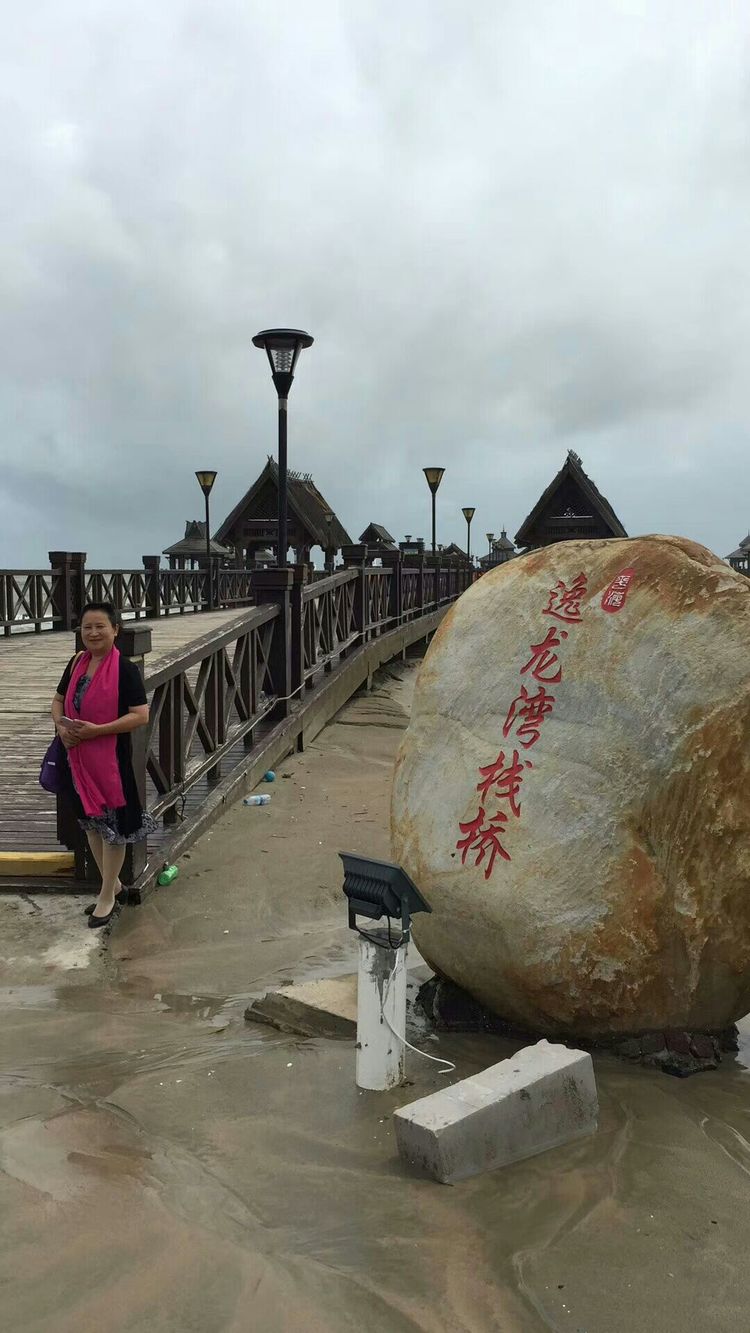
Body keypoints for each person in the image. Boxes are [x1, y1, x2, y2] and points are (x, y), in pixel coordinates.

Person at [51, 602, 155, 928]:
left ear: (115, 630)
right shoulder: (76, 663)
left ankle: (107, 895)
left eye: (100, 626)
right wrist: (61, 727)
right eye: (87, 628)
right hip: (78, 760)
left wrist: (98, 731)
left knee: (113, 829)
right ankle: (113, 886)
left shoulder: (125, 670)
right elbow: (57, 701)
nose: (93, 633)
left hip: (110, 761)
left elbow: (140, 715)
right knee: (92, 825)